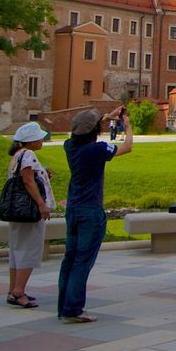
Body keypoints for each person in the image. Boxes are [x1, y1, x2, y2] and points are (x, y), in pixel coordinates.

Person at [58, 106, 131, 323]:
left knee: (69, 259)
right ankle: (73, 310)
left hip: (73, 209)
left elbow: (86, 130)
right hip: (90, 211)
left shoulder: (69, 146)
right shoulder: (96, 150)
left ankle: (65, 306)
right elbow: (127, 147)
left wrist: (107, 117)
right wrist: (127, 126)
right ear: (94, 131)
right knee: (83, 260)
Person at [6, 122, 52, 309]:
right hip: (29, 211)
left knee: (17, 251)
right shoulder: (29, 155)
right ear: (31, 141)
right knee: (29, 250)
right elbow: (27, 181)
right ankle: (18, 291)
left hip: (16, 211)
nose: (42, 140)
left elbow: (28, 178)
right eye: (39, 138)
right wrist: (42, 204)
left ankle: (13, 290)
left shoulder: (17, 155)